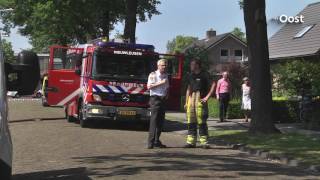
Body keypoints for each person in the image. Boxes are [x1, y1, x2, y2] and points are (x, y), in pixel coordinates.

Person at [184, 60, 216, 149]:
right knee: (191, 121)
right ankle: (191, 142)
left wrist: (207, 97)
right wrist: (186, 102)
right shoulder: (190, 75)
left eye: (192, 64)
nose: (191, 66)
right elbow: (188, 88)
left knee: (201, 122)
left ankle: (204, 143)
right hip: (191, 100)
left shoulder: (205, 74)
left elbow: (213, 84)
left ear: (197, 65)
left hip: (200, 100)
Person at [147, 59, 169, 149]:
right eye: (163, 65)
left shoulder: (166, 75)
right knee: (154, 121)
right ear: (158, 65)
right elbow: (149, 87)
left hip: (163, 99)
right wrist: (161, 82)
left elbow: (167, 86)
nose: (165, 67)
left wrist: (167, 93)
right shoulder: (153, 74)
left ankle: (157, 141)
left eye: (166, 65)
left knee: (161, 121)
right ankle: (150, 142)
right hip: (155, 98)